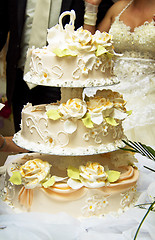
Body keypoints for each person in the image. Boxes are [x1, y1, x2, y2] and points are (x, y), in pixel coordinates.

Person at [0, 0, 113, 133]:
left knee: (61, 144)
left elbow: (102, 29)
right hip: (21, 78)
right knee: (25, 141)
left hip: (65, 82)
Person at [84, 0, 155, 145]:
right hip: (112, 88)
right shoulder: (118, 8)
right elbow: (89, 51)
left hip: (148, 91)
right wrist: (91, 9)